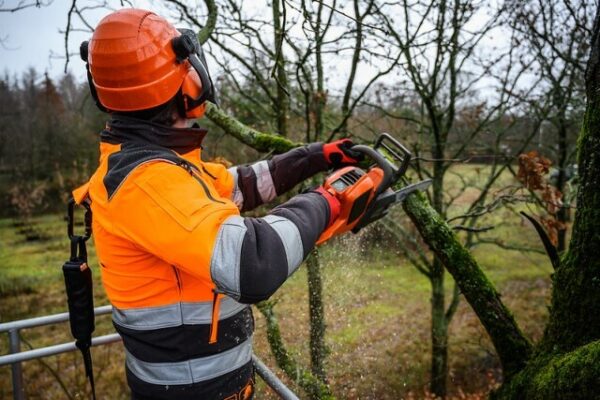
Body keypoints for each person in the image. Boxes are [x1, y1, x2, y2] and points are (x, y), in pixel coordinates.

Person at [73, 8, 363, 400]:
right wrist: (330, 199)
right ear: (186, 83)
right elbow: (253, 263)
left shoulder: (161, 167)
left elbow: (241, 185)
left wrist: (314, 156)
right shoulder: (147, 183)